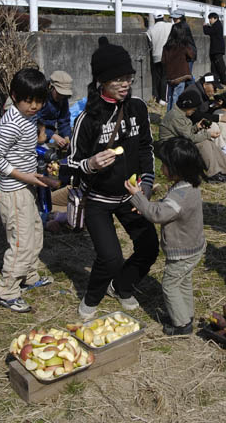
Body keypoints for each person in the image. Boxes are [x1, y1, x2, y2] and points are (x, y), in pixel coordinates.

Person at [68, 39, 159, 318]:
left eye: (128, 78)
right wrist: (92, 164)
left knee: (149, 247)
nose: (124, 84)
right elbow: (72, 163)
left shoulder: (138, 108)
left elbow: (146, 147)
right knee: (110, 257)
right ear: (101, 81)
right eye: (117, 79)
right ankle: (91, 300)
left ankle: (121, 286)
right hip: (98, 200)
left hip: (131, 195)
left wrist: (145, 184)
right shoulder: (88, 118)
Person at [0, 68, 52, 313]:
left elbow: (25, 143)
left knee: (35, 231)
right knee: (21, 241)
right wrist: (23, 175)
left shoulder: (30, 116)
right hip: (14, 190)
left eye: (39, 101)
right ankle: (7, 291)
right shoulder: (11, 123)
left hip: (27, 186)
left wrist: (41, 137)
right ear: (14, 96)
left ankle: (29, 276)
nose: (34, 106)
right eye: (29, 101)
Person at [125, 136, 206, 336]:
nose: (161, 170)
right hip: (194, 246)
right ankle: (186, 314)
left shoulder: (179, 196)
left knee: (170, 286)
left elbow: (157, 214)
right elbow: (168, 207)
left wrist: (137, 197)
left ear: (178, 169)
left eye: (165, 165)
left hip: (182, 251)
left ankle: (181, 325)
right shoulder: (189, 185)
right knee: (183, 281)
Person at [159, 89, 226, 183]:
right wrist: (207, 134)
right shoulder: (176, 116)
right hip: (170, 148)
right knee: (203, 144)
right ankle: (213, 174)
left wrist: (196, 127)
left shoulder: (179, 113)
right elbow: (189, 138)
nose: (194, 111)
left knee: (208, 142)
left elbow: (186, 132)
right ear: (187, 106)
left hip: (177, 143)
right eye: (193, 109)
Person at [161, 24, 195, 111]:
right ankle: (174, 117)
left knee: (170, 97)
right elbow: (191, 55)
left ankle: (169, 116)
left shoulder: (166, 47)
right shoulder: (183, 46)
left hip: (170, 77)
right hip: (181, 76)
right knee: (177, 98)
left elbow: (163, 61)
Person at [38, 71, 73, 149]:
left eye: (64, 95)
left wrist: (67, 136)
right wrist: (52, 135)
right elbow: (35, 121)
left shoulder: (63, 99)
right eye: (59, 93)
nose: (61, 97)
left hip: (50, 132)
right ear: (51, 87)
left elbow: (64, 120)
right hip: (37, 133)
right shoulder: (40, 97)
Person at [146, 11, 172, 105]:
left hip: (155, 56)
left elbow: (149, 43)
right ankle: (164, 99)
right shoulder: (169, 26)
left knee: (157, 77)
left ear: (154, 18)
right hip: (167, 55)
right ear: (163, 16)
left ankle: (157, 97)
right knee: (165, 77)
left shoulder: (150, 30)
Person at [203, 12, 226, 87]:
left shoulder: (217, 25)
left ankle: (224, 80)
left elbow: (208, 32)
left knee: (219, 66)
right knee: (214, 66)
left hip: (217, 49)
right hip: (216, 49)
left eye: (210, 19)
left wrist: (205, 26)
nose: (209, 20)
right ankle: (216, 80)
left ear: (215, 18)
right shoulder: (216, 25)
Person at [170, 10, 197, 81]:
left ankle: (195, 89)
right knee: (187, 75)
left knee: (186, 76)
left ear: (181, 17)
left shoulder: (179, 27)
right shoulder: (185, 25)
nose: (173, 19)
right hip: (190, 53)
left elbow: (176, 41)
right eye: (173, 18)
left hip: (187, 54)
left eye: (175, 18)